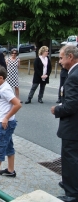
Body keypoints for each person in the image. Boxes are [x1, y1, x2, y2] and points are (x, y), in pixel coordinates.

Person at [51, 45, 78, 202]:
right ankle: (69, 183)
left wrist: (57, 110)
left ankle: (72, 193)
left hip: (72, 126)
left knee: (70, 158)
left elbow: (71, 105)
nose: (59, 61)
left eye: (61, 58)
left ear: (70, 57)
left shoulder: (73, 76)